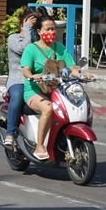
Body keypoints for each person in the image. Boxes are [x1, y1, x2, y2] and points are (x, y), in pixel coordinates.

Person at [20, 15, 87, 161]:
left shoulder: (60, 48)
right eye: (48, 29)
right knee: (48, 108)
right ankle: (39, 146)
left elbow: (72, 68)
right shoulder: (31, 49)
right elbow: (25, 70)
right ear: (39, 31)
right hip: (35, 91)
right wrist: (33, 76)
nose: (52, 32)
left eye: (53, 29)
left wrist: (84, 74)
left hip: (58, 90)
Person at [4, 8, 39, 146]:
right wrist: (26, 31)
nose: (32, 29)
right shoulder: (14, 38)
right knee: (18, 95)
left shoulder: (39, 43)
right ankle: (10, 133)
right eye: (30, 25)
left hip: (38, 80)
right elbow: (24, 49)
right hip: (18, 79)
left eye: (35, 26)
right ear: (22, 25)